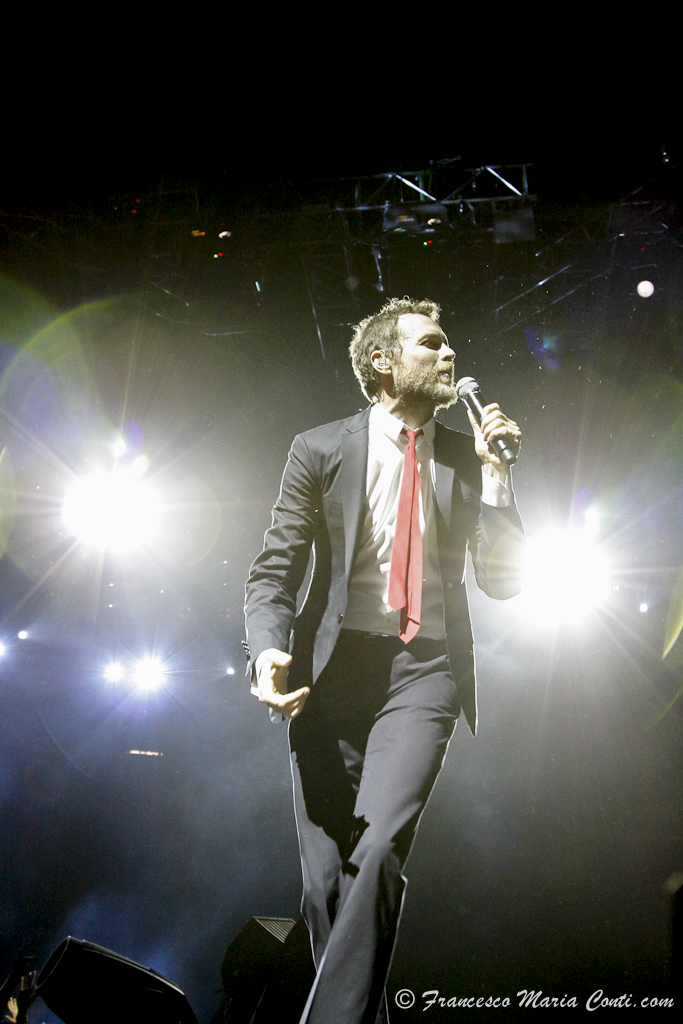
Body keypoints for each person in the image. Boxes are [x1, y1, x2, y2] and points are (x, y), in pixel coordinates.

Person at [244, 297, 525, 1024]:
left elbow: (503, 582)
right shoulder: (320, 449)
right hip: (329, 673)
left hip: (422, 671)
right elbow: (275, 568)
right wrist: (268, 648)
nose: (448, 354)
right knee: (323, 887)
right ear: (383, 362)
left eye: (448, 343)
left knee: (377, 852)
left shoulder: (464, 458)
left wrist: (498, 479)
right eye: (430, 343)